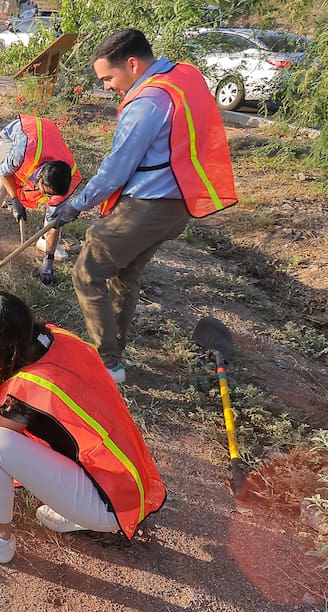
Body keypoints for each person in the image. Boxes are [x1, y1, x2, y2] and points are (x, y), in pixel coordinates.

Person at [0, 291, 166, 564]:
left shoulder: (25, 391)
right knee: (1, 442)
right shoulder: (59, 340)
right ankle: (78, 513)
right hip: (126, 482)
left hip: (108, 504)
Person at [46, 29, 237, 383]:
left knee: (87, 274)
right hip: (177, 204)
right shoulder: (181, 77)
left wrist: (74, 206)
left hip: (148, 205)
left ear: (132, 64)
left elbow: (115, 171)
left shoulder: (147, 102)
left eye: (107, 78)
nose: (105, 87)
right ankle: (117, 355)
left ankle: (107, 365)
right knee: (125, 275)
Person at [0, 115, 82, 286]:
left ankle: (44, 243)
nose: (48, 197)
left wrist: (48, 261)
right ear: (41, 177)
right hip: (14, 136)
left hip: (45, 141)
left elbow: (55, 221)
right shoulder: (21, 154)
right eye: (46, 192)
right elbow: (5, 172)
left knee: (54, 214)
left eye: (52, 195)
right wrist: (15, 199)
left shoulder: (66, 179)